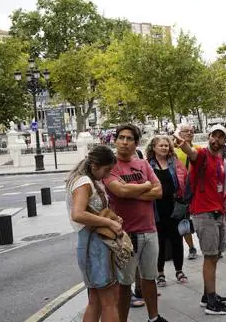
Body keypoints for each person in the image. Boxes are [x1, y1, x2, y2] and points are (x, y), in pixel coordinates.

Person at [102, 124, 167, 322]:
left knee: (149, 278)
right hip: (125, 234)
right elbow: (119, 191)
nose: (124, 141)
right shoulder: (110, 166)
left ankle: (153, 318)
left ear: (136, 143)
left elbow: (159, 191)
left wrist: (134, 191)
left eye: (129, 138)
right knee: (125, 283)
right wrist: (145, 186)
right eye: (121, 137)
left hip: (149, 229)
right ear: (115, 140)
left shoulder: (143, 164)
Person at [175, 125, 226, 315]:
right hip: (204, 213)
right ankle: (212, 303)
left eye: (220, 138)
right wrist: (182, 143)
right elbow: (190, 152)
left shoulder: (220, 159)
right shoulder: (201, 154)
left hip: (217, 212)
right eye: (213, 136)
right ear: (209, 137)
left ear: (224, 142)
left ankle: (207, 295)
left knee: (215, 255)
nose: (216, 140)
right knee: (210, 257)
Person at [67, 145, 121, 322]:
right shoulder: (84, 182)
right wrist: (109, 222)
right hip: (94, 245)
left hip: (93, 244)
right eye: (106, 170)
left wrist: (112, 218)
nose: (107, 174)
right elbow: (78, 214)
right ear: (95, 166)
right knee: (109, 300)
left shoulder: (89, 180)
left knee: (96, 300)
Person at [146, 136, 188, 287]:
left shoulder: (175, 163)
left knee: (177, 239)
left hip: (174, 205)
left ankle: (179, 270)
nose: (164, 148)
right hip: (156, 208)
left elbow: (184, 181)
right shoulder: (147, 165)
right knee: (160, 241)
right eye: (161, 145)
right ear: (153, 148)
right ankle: (160, 273)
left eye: (166, 145)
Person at [173, 124, 199, 259]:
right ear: (179, 133)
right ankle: (191, 248)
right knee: (183, 220)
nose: (189, 133)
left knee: (200, 218)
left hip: (197, 190)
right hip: (182, 192)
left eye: (191, 131)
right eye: (186, 131)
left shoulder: (198, 149)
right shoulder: (173, 151)